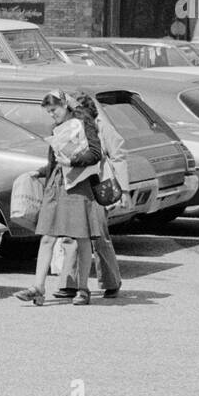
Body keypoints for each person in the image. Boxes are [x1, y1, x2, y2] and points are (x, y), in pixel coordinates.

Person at [15, 90, 103, 306]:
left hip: (78, 184)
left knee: (82, 238)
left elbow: (95, 153)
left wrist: (73, 162)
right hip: (57, 183)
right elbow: (56, 158)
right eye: (49, 112)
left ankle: (83, 289)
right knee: (47, 236)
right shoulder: (57, 128)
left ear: (65, 105)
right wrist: (42, 171)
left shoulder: (83, 123)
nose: (52, 115)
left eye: (54, 110)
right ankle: (38, 287)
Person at [56, 93, 125, 300]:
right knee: (72, 236)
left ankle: (111, 281)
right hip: (75, 185)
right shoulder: (69, 128)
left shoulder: (100, 126)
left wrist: (125, 190)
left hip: (97, 186)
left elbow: (118, 155)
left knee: (99, 235)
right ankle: (69, 282)